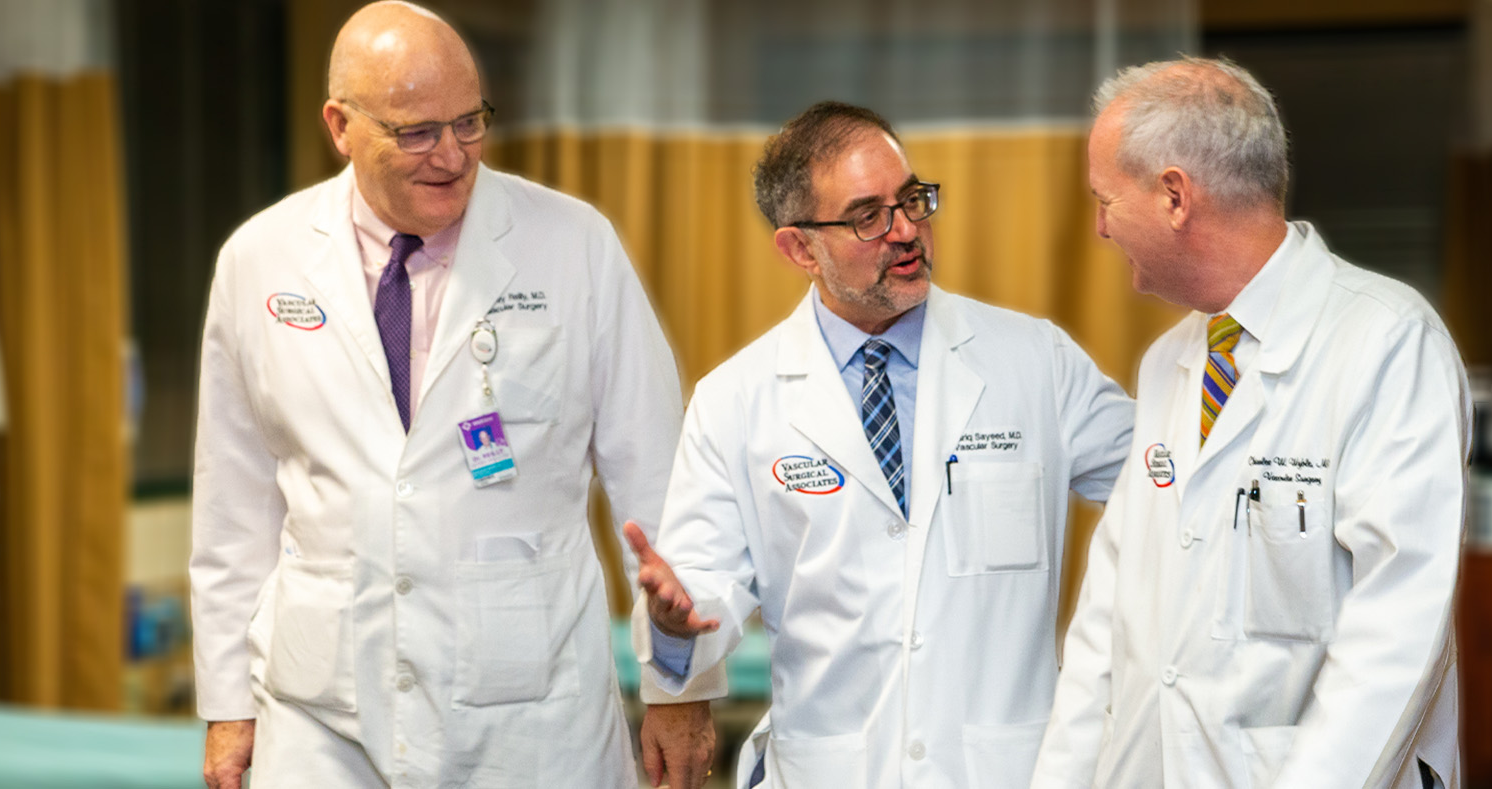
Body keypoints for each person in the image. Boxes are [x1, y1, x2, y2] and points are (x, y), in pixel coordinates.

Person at [189, 3, 684, 787]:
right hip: (323, 713)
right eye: (416, 132)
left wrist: (679, 687)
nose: (452, 155)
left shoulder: (573, 244)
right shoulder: (260, 259)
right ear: (340, 126)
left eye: (470, 122)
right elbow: (233, 507)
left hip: (531, 712)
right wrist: (226, 703)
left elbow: (655, 476)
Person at [626, 101, 1138, 789]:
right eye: (868, 216)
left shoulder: (1033, 361)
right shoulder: (736, 399)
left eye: (913, 200)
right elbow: (701, 592)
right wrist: (674, 623)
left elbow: (1171, 482)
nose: (906, 231)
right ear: (799, 248)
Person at [1032, 57, 1470, 789]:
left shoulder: (1387, 340)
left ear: (1175, 195)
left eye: (1106, 200)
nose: (1101, 228)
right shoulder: (1171, 360)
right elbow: (1109, 615)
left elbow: (1399, 629)